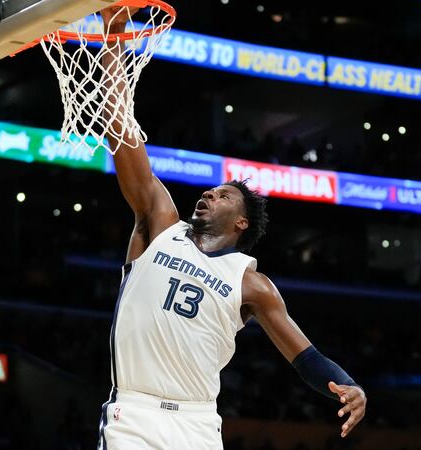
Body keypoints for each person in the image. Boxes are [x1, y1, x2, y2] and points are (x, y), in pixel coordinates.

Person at [96, 7, 366, 449]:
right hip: (135, 412)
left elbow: (305, 356)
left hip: (198, 421)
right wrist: (113, 37)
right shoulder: (160, 223)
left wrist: (347, 383)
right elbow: (124, 132)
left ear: (241, 222)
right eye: (209, 191)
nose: (207, 195)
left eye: (223, 196)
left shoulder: (252, 284)